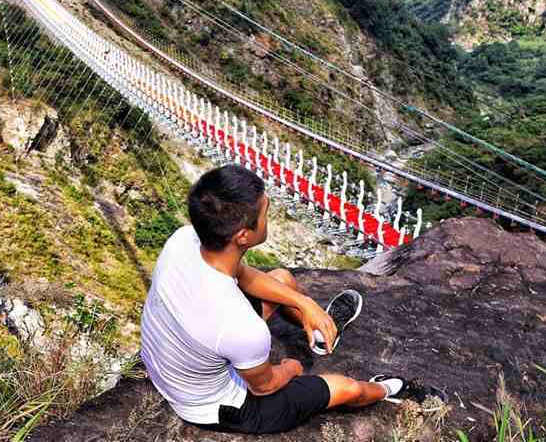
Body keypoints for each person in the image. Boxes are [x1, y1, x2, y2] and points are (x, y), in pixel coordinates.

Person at [140, 164, 417, 435]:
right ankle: (391, 389)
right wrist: (290, 367)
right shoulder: (242, 328)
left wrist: (305, 303)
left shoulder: (183, 240)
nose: (268, 210)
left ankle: (320, 334)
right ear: (243, 236)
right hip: (214, 406)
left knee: (283, 279)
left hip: (176, 361)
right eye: (264, 211)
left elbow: (243, 275)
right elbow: (265, 387)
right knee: (349, 389)